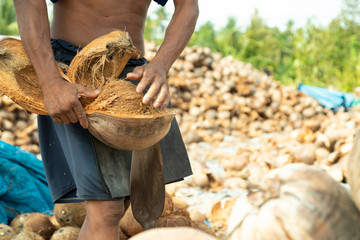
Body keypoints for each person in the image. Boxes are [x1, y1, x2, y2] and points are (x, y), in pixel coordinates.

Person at [12, 0, 199, 239]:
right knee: (107, 209)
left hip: (134, 75)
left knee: (122, 204)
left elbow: (188, 6)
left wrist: (161, 65)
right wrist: (50, 81)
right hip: (72, 73)